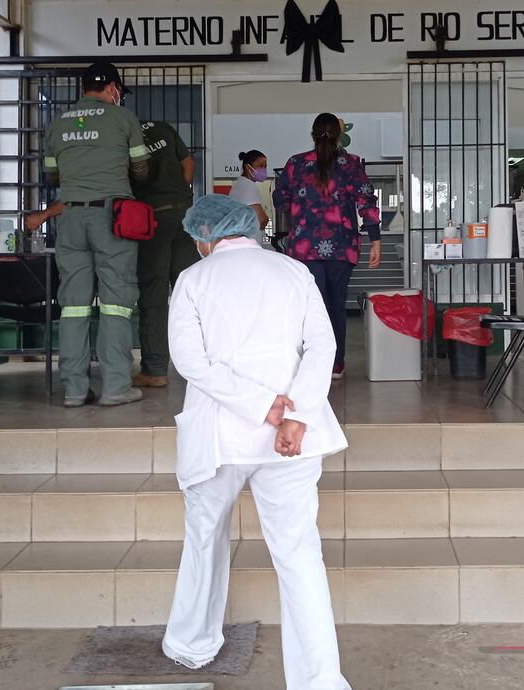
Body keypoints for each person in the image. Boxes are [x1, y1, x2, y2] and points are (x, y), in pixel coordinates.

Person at [162, 194, 351, 690]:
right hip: (290, 437)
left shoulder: (193, 279)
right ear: (249, 228)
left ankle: (192, 645)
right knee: (299, 554)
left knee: (205, 539)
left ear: (205, 237)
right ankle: (320, 681)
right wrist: (295, 416)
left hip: (220, 435)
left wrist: (257, 405)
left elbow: (190, 361)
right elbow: (323, 346)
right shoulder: (293, 271)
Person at [41, 61, 150, 407]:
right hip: (112, 216)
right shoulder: (123, 118)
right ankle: (116, 386)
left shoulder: (58, 122)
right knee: (116, 302)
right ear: (113, 88)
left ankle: (74, 389)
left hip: (70, 217)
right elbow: (142, 168)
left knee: (73, 306)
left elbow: (52, 174)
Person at [274, 113, 381, 381]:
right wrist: (375, 238)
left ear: (313, 134)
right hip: (342, 246)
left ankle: (311, 362)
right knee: (336, 305)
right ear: (338, 135)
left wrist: (301, 216)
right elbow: (367, 201)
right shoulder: (352, 164)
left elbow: (280, 198)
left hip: (304, 246)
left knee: (310, 306)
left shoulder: (295, 163)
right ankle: (336, 363)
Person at [131, 118, 201, 389]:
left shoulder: (122, 135)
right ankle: (205, 362)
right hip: (183, 214)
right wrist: (180, 196)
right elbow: (189, 164)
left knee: (154, 295)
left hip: (152, 219)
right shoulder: (163, 128)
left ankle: (155, 369)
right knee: (191, 291)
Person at [229, 149, 271, 231]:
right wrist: (266, 219)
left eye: (265, 166)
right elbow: (261, 219)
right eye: (260, 166)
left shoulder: (240, 184)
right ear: (248, 167)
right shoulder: (248, 186)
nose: (263, 169)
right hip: (248, 240)